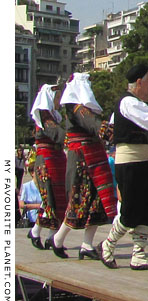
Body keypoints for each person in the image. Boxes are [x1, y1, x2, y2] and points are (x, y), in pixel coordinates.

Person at [98, 63, 148, 271]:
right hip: (130, 161)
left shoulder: (141, 104)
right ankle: (107, 245)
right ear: (139, 82)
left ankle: (138, 255)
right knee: (130, 211)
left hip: (145, 160)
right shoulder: (128, 103)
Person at [47, 73, 118, 260]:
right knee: (79, 199)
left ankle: (86, 244)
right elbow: (90, 122)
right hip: (82, 157)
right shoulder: (75, 106)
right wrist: (105, 129)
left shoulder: (84, 107)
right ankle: (58, 239)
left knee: (96, 200)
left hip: (92, 155)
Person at [27, 84, 67, 250]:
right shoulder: (44, 115)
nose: (59, 100)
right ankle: (36, 231)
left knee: (57, 199)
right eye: (57, 97)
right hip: (47, 160)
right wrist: (70, 138)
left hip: (56, 158)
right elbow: (55, 133)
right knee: (49, 199)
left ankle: (51, 236)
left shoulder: (54, 115)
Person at [19, 162, 42, 228]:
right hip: (30, 219)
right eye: (37, 171)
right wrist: (37, 206)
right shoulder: (26, 186)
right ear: (32, 173)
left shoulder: (44, 186)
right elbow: (21, 204)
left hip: (43, 218)